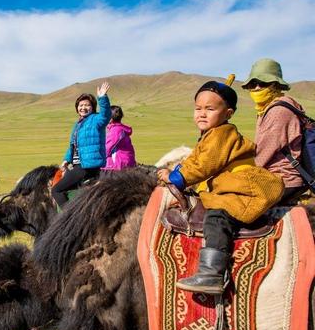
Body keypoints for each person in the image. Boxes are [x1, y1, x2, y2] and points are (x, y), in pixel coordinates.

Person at [157, 81, 284, 294]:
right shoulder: (210, 135)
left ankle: (211, 274)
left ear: (228, 113)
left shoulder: (222, 133)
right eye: (198, 108)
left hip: (242, 188)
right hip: (230, 185)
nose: (202, 114)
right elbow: (195, 159)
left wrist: (176, 177)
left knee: (217, 217)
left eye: (210, 109)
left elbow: (203, 165)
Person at [242, 58, 307, 204]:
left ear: (276, 85)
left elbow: (261, 156)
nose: (257, 88)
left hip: (281, 180)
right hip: (273, 178)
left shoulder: (278, 111)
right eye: (253, 84)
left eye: (263, 83)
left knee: (224, 210)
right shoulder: (267, 108)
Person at [51, 82, 112, 207]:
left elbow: (106, 115)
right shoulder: (78, 124)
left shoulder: (96, 120)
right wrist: (66, 160)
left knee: (56, 190)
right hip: (78, 165)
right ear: (77, 108)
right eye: (80, 105)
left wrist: (102, 98)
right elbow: (73, 145)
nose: (83, 107)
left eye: (87, 105)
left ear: (92, 107)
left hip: (86, 167)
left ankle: (68, 217)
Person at [102, 105, 136, 170]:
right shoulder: (120, 129)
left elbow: (107, 148)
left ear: (110, 119)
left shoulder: (116, 130)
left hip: (119, 163)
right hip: (126, 160)